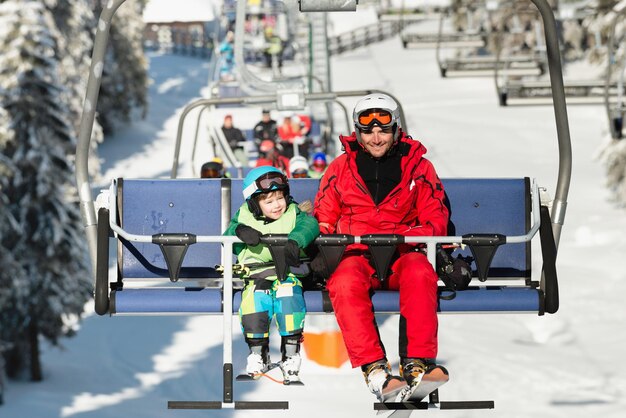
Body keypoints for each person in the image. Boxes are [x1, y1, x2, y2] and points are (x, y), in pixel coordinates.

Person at [312, 93, 450, 403]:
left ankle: (417, 364)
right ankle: (375, 369)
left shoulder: (418, 167)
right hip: (357, 255)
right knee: (344, 282)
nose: (376, 137)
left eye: (384, 129)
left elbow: (436, 217)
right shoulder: (341, 168)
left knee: (420, 272)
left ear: (396, 129)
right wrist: (324, 241)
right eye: (368, 130)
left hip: (402, 253)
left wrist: (406, 236)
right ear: (358, 133)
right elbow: (324, 215)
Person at [223, 166, 320, 383]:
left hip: (288, 272)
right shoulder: (244, 218)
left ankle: (291, 353)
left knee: (288, 296)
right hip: (258, 275)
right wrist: (239, 232)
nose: (277, 205)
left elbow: (310, 225)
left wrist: (296, 240)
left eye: (279, 198)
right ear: (254, 205)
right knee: (255, 300)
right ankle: (258, 353)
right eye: (268, 201)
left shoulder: (294, 213)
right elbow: (226, 236)